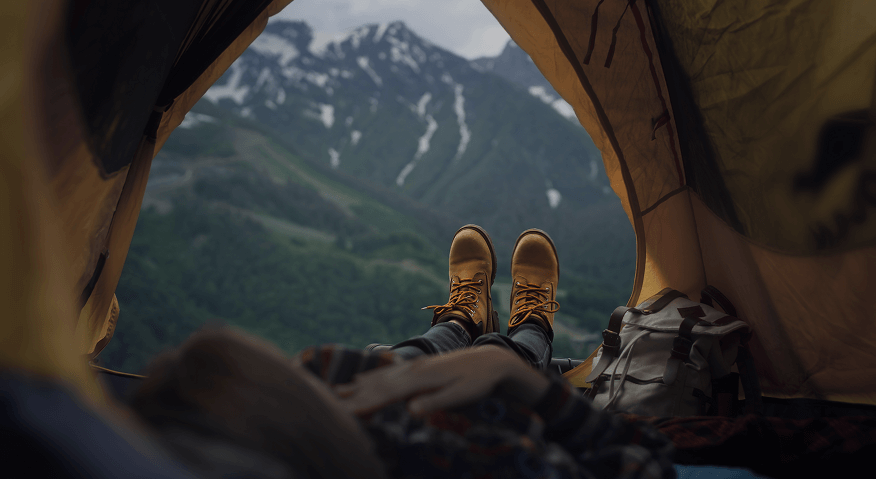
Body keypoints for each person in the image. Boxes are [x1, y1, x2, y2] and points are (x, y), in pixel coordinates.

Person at [128, 225, 676, 479]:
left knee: (397, 362)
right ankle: (531, 325)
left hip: (327, 407)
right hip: (472, 417)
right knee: (501, 358)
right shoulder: (471, 463)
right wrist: (517, 381)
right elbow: (646, 465)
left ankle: (463, 319)